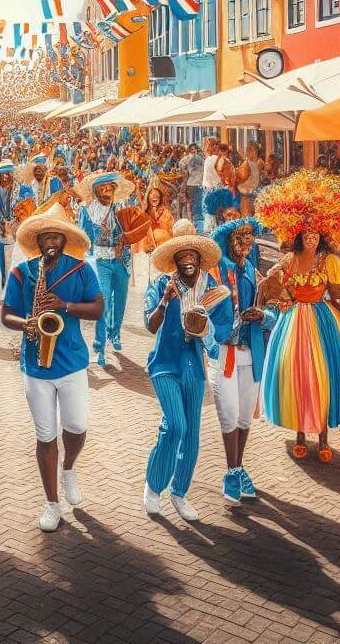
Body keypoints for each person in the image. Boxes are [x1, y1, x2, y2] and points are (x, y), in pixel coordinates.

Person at [2, 205, 103, 532]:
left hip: (72, 360)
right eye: (45, 235)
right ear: (39, 240)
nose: (51, 240)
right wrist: (26, 323)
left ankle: (69, 468)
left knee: (77, 427)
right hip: (35, 365)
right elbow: (6, 315)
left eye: (56, 235)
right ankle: (51, 503)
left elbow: (98, 309)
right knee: (45, 435)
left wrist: (65, 306)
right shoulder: (22, 272)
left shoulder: (82, 270)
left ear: (64, 238)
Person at [255, 168, 340, 463]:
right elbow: (271, 281)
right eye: (308, 234)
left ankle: (324, 437)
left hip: (322, 320)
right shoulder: (289, 258)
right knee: (297, 377)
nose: (313, 238)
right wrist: (281, 295)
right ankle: (301, 435)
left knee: (323, 377)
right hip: (292, 321)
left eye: (318, 234)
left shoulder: (329, 259)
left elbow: (338, 295)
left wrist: (336, 272)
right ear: (299, 235)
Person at [143, 222, 225, 522]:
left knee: (191, 434)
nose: (188, 260)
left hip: (194, 366)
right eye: (182, 256)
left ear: (200, 258)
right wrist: (165, 300)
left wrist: (205, 327)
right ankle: (154, 485)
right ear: (175, 259)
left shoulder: (212, 289)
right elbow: (150, 325)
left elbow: (222, 331)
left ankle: (179, 492)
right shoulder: (160, 286)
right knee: (175, 426)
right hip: (164, 364)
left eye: (193, 255)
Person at [210, 217, 276, 503]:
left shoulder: (251, 268)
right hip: (226, 351)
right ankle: (231, 471)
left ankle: (237, 469)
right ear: (227, 240)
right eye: (240, 237)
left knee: (244, 414)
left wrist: (262, 316)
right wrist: (227, 325)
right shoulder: (215, 271)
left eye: (250, 237)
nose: (245, 242)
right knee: (228, 412)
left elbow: (271, 308)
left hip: (251, 350)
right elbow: (206, 310)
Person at [77, 171, 135, 367]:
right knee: (103, 305)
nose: (106, 191)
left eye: (109, 188)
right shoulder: (86, 211)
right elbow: (81, 238)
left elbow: (132, 233)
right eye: (102, 188)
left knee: (119, 303)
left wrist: (122, 239)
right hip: (98, 261)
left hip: (120, 261)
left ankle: (114, 334)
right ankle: (99, 347)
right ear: (95, 191)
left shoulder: (122, 209)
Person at [0, 160, 33, 305]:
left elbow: (30, 210)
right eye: (2, 173)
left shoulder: (24, 190)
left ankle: (12, 293)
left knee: (13, 264)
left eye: (8, 172)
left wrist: (16, 222)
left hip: (16, 233)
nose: (6, 176)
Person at [181, 142, 205, 228]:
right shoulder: (189, 158)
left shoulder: (200, 157)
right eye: (192, 149)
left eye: (195, 149)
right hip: (191, 183)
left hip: (198, 183)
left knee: (198, 203)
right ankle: (191, 221)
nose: (193, 150)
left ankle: (196, 223)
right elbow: (181, 165)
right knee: (192, 203)